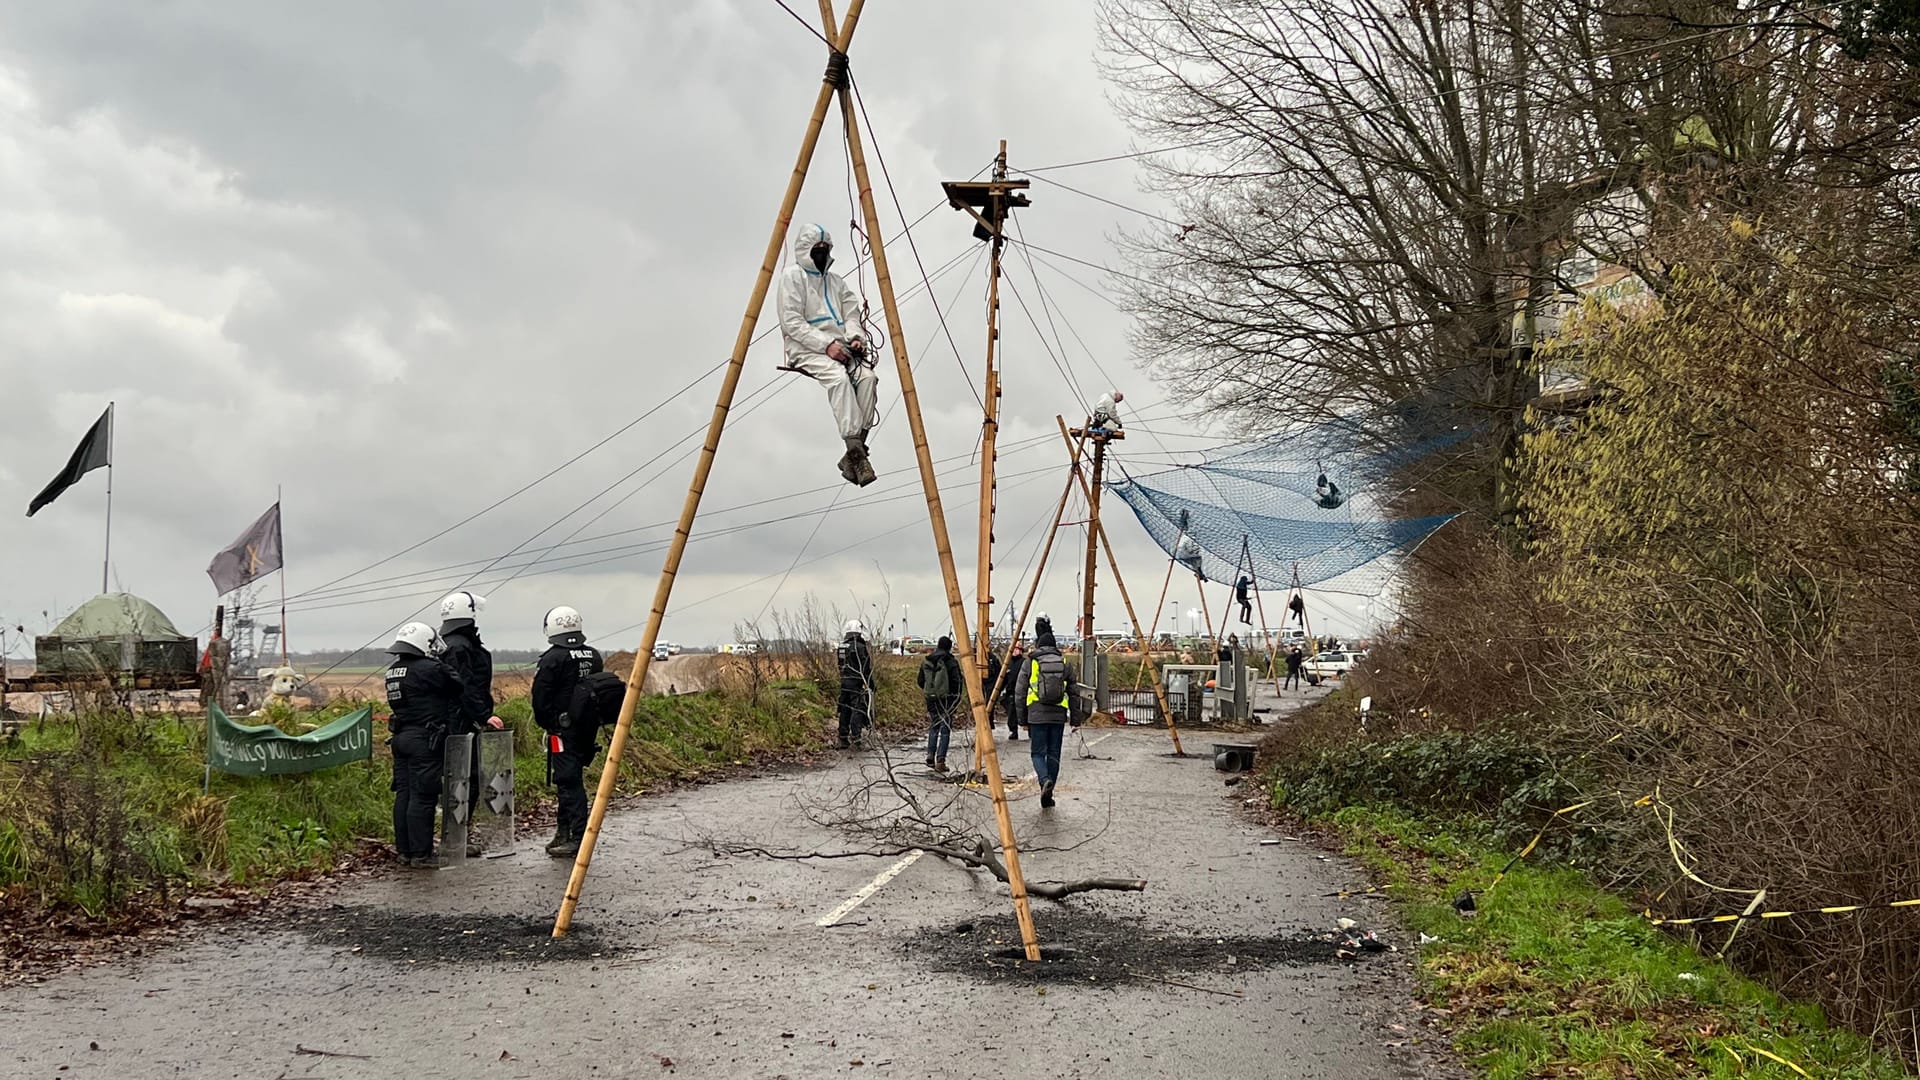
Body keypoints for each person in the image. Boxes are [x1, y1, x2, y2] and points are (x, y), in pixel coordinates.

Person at [778, 222, 878, 487]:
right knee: (839, 379)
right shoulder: (792, 277)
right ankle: (856, 451)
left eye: (825, 249)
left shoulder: (835, 282)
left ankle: (854, 453)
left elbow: (851, 311)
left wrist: (855, 337)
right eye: (817, 249)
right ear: (805, 250)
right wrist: (826, 345)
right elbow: (792, 322)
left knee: (867, 379)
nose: (822, 254)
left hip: (841, 347)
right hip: (806, 347)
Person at [383, 622, 464, 869]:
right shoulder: (429, 668)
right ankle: (421, 854)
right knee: (423, 796)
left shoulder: (394, 670)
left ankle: (405, 852)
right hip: (424, 740)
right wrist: (440, 661)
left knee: (404, 794)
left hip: (401, 738)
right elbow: (456, 684)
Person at [532, 605, 603, 859]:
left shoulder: (552, 659)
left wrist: (547, 723)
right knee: (568, 779)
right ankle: (563, 833)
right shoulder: (593, 655)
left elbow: (540, 698)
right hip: (587, 728)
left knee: (568, 781)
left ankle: (576, 837)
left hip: (562, 731)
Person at [438, 590, 503, 858]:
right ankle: (455, 838)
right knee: (464, 778)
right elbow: (463, 686)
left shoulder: (453, 643)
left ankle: (458, 835)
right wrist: (482, 715)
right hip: (460, 722)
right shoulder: (459, 647)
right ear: (470, 615)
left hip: (459, 720)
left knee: (463, 778)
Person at [1015, 616, 1082, 808]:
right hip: (1058, 715)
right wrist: (1076, 719)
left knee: (1037, 753)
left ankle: (1044, 780)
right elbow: (1074, 693)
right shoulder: (1064, 663)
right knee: (1054, 753)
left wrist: (1022, 720)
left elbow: (1019, 692)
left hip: (1036, 714)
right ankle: (1049, 793)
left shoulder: (1030, 662)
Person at [917, 636, 964, 773]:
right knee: (945, 729)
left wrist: (930, 691)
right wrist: (956, 698)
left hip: (931, 699)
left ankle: (930, 754)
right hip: (947, 699)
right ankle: (941, 760)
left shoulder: (927, 660)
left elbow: (920, 681)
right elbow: (957, 681)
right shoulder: (950, 661)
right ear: (949, 647)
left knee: (934, 725)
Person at [835, 619, 875, 749]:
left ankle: (843, 737)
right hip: (857, 681)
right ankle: (856, 736)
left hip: (844, 681)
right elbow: (865, 668)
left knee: (845, 708)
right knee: (858, 708)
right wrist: (870, 684)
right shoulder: (860, 647)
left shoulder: (842, 646)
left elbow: (840, 665)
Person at [1000, 640, 1025, 740]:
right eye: (1013, 649)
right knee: (1011, 713)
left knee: (1023, 711)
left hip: (1022, 691)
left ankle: (1027, 727)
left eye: (1017, 649)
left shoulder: (1024, 663)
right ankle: (1013, 730)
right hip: (1010, 691)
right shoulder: (1008, 663)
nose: (1015, 651)